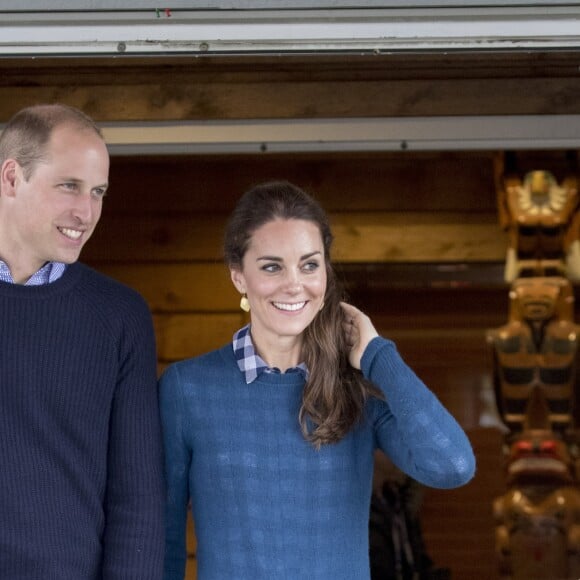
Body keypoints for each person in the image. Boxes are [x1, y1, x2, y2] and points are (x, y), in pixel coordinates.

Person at [160, 180, 476, 580]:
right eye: (272, 266)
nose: (294, 284)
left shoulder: (356, 391)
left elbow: (453, 466)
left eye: (309, 264)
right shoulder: (187, 389)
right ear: (239, 276)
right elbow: (165, 536)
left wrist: (379, 356)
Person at [0, 104, 165, 579]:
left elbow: (137, 499)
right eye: (69, 186)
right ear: (12, 178)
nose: (86, 212)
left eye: (98, 192)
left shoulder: (119, 316)